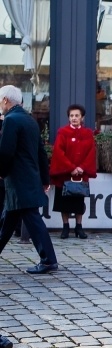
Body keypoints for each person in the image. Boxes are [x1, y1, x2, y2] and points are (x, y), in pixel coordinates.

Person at [0, 85, 59, 274]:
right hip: (28, 179)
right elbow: (41, 152)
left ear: (6, 100)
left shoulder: (11, 120)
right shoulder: (29, 120)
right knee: (7, 221)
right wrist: (44, 179)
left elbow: (6, 152)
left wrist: (1, 172)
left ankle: (48, 260)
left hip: (18, 180)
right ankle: (48, 260)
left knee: (32, 220)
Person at [49, 104, 97, 239]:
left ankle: (79, 227)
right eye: (71, 116)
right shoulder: (63, 132)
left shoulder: (87, 133)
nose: (74, 118)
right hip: (65, 174)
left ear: (82, 117)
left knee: (79, 201)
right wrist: (71, 168)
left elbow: (91, 152)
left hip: (81, 175)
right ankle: (65, 227)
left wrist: (82, 167)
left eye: (77, 115)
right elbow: (59, 152)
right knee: (63, 202)